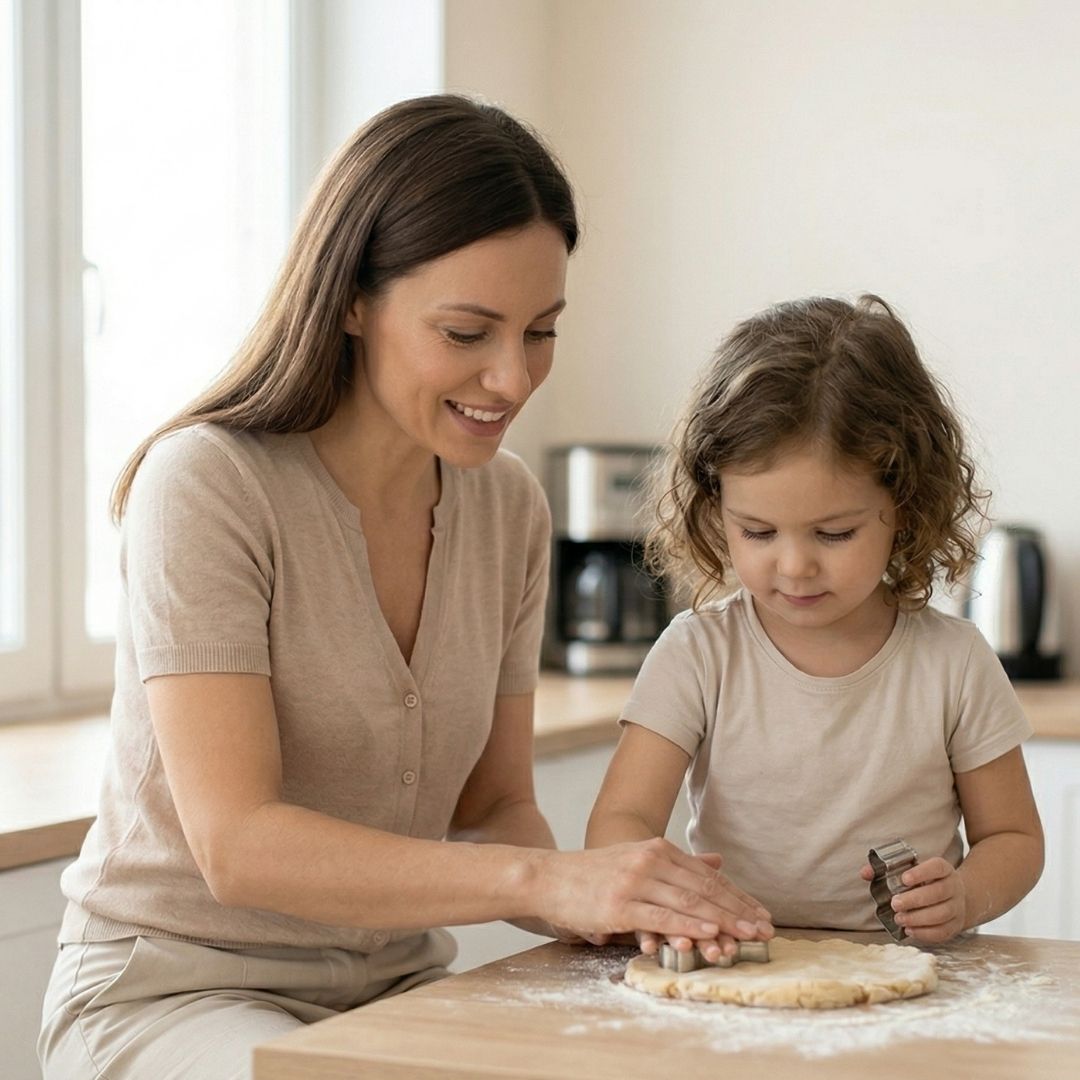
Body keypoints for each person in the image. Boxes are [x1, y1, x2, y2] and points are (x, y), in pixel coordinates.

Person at [37, 95, 771, 1079]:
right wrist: (550, 882)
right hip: (174, 994)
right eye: (468, 332)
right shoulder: (209, 484)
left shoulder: (508, 506)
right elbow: (239, 844)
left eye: (541, 331)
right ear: (351, 299)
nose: (511, 379)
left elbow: (497, 802)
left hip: (393, 989)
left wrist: (615, 905)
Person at [586, 295, 1044, 965]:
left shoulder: (955, 662)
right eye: (758, 531)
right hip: (736, 964)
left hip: (917, 979)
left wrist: (967, 895)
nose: (795, 565)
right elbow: (619, 826)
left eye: (835, 533)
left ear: (905, 504)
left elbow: (1014, 838)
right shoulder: (697, 654)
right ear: (716, 508)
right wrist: (664, 889)